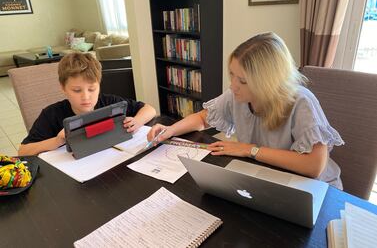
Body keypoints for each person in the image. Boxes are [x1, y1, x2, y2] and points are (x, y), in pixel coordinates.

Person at [147, 32, 344, 189]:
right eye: (232, 75)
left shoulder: (302, 102)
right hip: (268, 178)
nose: (233, 86)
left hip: (315, 188)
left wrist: (250, 150)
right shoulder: (239, 95)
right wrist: (170, 130)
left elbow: (314, 167)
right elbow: (203, 118)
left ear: (268, 82)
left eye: (242, 81)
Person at [18, 52, 156, 156]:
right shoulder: (51, 114)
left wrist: (137, 121)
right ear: (63, 88)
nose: (86, 97)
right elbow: (23, 151)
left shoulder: (109, 102)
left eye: (92, 89)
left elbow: (150, 109)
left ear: (99, 85)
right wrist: (58, 140)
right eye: (76, 90)